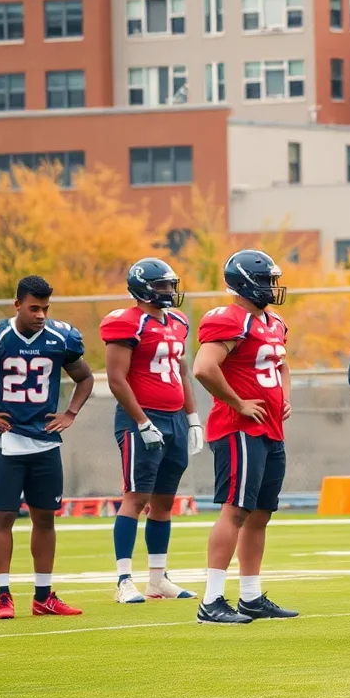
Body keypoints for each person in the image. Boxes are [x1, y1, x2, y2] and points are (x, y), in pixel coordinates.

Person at [0, 276, 94, 620]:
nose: (41, 315)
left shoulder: (61, 337)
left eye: (45, 308)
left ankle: (43, 596)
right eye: (34, 308)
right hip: (7, 440)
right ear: (17, 305)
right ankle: (3, 595)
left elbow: (85, 376)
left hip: (45, 441)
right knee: (3, 517)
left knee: (45, 519)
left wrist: (71, 412)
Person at [193, 250, 299, 624]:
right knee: (236, 510)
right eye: (267, 280)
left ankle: (251, 596)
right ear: (245, 283)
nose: (272, 287)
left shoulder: (273, 321)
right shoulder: (230, 319)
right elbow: (203, 368)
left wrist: (284, 395)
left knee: (260, 514)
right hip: (238, 428)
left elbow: (282, 364)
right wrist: (237, 402)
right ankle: (211, 600)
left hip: (270, 427)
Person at [100, 259, 204, 604]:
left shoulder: (178, 321)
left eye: (171, 285)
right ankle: (124, 580)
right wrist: (142, 421)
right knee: (136, 497)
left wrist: (192, 417)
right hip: (140, 418)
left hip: (174, 417)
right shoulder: (126, 323)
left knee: (163, 502)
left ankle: (158, 580)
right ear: (144, 288)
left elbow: (182, 372)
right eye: (162, 286)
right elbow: (116, 379)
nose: (170, 292)